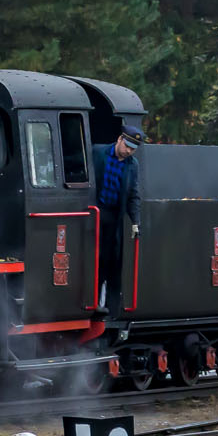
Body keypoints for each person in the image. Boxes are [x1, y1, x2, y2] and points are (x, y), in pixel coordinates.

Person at [95, 121, 143, 309]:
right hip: (95, 212)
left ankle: (104, 303)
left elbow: (133, 194)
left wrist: (135, 221)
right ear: (119, 139)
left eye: (133, 149)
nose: (129, 151)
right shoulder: (97, 153)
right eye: (127, 146)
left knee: (108, 259)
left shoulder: (133, 165)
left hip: (114, 216)